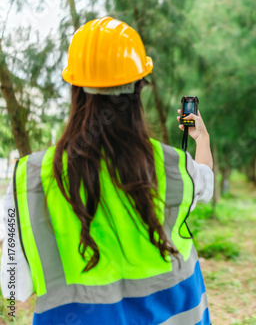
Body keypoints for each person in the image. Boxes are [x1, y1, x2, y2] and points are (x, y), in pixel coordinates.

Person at [0, 17, 213, 325]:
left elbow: (12, 284)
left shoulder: (26, 179)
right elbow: (207, 179)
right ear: (139, 88)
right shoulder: (175, 167)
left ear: (75, 90)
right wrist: (201, 138)